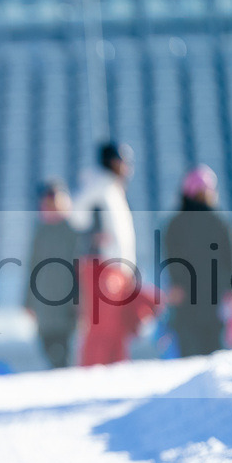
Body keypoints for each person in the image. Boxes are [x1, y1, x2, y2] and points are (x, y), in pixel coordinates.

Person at [70, 142, 158, 366]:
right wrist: (95, 234)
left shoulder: (113, 188)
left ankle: (115, 373)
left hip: (116, 267)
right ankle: (93, 374)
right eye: (122, 162)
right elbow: (77, 215)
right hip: (101, 265)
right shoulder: (99, 184)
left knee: (117, 328)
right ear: (111, 162)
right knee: (102, 326)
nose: (127, 167)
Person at [162, 165, 232, 357]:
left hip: (186, 298)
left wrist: (175, 285)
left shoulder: (175, 223)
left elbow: (171, 260)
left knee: (188, 352)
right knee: (213, 352)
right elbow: (229, 258)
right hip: (214, 296)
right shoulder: (221, 222)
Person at [23, 180, 78, 369]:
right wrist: (28, 301)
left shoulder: (73, 231)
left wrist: (79, 302)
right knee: (48, 350)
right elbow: (32, 268)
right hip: (45, 306)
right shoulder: (40, 232)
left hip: (68, 307)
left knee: (65, 354)